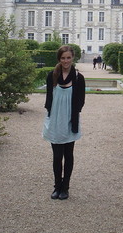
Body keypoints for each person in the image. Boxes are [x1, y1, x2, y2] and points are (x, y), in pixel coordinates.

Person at [43, 45, 86, 200]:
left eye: (68, 58)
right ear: (59, 59)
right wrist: (50, 115)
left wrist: (72, 117)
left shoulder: (78, 78)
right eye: (63, 58)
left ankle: (65, 187)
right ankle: (57, 186)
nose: (66, 61)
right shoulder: (52, 76)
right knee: (56, 156)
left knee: (68, 155)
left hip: (69, 121)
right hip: (55, 120)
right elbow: (49, 98)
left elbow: (81, 101)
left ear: (72, 58)